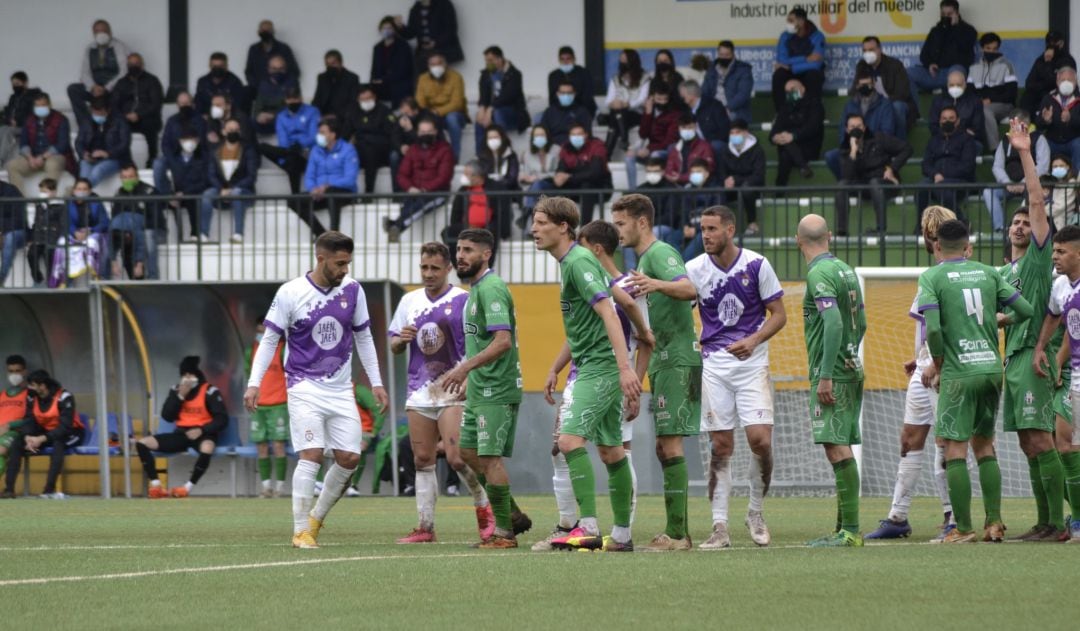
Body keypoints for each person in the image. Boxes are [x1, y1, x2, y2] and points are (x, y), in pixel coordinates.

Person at [245, 231, 389, 548]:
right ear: (320, 258)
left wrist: (376, 382)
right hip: (303, 385)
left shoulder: (353, 291)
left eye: (348, 263)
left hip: (340, 390)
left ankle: (315, 519)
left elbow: (364, 337)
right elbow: (269, 339)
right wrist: (254, 382)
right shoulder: (290, 293)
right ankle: (300, 531)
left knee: (350, 458)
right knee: (310, 454)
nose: (345, 270)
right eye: (339, 264)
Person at [532, 220, 654, 551]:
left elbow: (611, 314)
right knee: (611, 451)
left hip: (599, 369)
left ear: (563, 227)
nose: (533, 229)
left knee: (569, 442)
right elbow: (621, 306)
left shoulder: (579, 261)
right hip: (595, 367)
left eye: (540, 222)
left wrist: (628, 368)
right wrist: (644, 334)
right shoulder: (584, 266)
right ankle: (621, 536)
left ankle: (584, 526)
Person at [917, 218, 1033, 543]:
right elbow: (1025, 310)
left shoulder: (932, 276)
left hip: (959, 373)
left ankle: (963, 528)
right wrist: (1002, 321)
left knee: (954, 448)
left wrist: (938, 364)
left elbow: (935, 329)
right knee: (984, 444)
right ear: (967, 245)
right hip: (990, 370)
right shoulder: (989, 272)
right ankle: (994, 523)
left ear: (937, 245)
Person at [680, 206, 786, 548]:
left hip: (752, 365)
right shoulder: (694, 269)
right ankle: (719, 526)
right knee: (721, 446)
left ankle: (755, 512)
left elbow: (779, 315)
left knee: (761, 441)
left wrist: (754, 340)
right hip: (713, 365)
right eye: (702, 229)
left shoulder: (757, 265)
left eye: (712, 228)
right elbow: (682, 311)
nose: (705, 235)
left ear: (730, 229)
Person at [864, 206, 968, 541]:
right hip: (925, 366)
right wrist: (919, 357)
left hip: (943, 369)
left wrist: (935, 364)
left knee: (945, 442)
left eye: (931, 232)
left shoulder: (948, 276)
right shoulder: (933, 274)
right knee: (910, 440)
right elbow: (932, 327)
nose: (929, 238)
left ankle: (953, 517)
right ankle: (898, 516)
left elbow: (952, 327)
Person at [389, 241, 494, 543]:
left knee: (458, 456)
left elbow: (479, 343)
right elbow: (395, 346)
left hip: (453, 387)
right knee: (422, 458)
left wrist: (469, 377)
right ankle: (425, 527)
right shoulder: (409, 301)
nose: (429, 273)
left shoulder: (464, 300)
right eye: (424, 267)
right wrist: (401, 341)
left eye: (435, 268)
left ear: (449, 268)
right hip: (419, 390)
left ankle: (485, 514)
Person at [993, 120, 1068, 541]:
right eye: (1016, 223)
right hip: (1014, 357)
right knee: (1027, 443)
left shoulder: (1038, 262)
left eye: (1027, 222)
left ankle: (1057, 524)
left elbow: (1037, 201)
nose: (1022, 225)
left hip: (1033, 359)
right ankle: (1044, 521)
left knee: (1042, 440)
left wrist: (1023, 152)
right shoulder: (1005, 272)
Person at [616, 194, 702, 551]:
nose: (617, 230)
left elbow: (689, 288)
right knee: (663, 448)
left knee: (670, 445)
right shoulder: (643, 259)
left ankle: (679, 535)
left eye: (621, 223)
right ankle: (676, 530)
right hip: (665, 359)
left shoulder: (660, 253)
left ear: (641, 222)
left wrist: (656, 284)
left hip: (680, 358)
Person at [438, 228, 528, 548]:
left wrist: (464, 368)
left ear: (486, 254)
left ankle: (504, 533)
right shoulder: (475, 290)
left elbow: (503, 342)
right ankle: (512, 513)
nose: (460, 255)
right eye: (459, 249)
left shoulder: (491, 288)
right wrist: (470, 379)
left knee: (489, 459)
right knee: (466, 453)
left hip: (497, 388)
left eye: (468, 250)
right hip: (480, 386)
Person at [797, 214, 867, 547]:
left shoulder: (818, 274)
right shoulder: (846, 270)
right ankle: (844, 526)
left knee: (835, 446)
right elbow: (862, 322)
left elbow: (834, 323)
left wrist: (825, 374)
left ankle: (851, 530)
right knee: (841, 444)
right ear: (829, 237)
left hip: (833, 372)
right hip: (852, 366)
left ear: (799, 241)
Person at [1033, 224, 1080, 543]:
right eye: (1054, 251)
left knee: (1068, 443)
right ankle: (1076, 521)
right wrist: (1045, 351)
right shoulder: (1062, 285)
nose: (1055, 257)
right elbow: (1058, 320)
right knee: (1064, 442)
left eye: (1062, 251)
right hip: (1076, 375)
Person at [133, 357, 229, 499]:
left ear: (197, 375)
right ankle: (156, 485)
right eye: (184, 375)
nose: (187, 379)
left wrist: (202, 430)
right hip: (182, 434)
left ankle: (187, 488)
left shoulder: (209, 391)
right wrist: (180, 396)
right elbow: (167, 416)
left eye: (190, 375)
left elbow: (222, 419)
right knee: (142, 443)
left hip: (203, 433)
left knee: (207, 447)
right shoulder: (176, 390)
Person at [0, 370, 84, 499]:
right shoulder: (31, 396)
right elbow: (29, 419)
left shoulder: (64, 396)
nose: (29, 388)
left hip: (71, 434)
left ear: (42, 386)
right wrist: (28, 436)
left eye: (32, 385)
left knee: (58, 443)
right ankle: (9, 489)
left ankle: (48, 490)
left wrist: (41, 438)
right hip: (46, 433)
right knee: (18, 442)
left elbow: (65, 427)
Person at [835, 114, 912, 236]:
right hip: (863, 186)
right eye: (852, 127)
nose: (856, 129)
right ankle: (842, 231)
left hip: (885, 183)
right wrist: (853, 151)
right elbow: (847, 177)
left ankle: (881, 229)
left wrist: (892, 168)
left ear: (864, 128)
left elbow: (906, 148)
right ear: (846, 130)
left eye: (859, 126)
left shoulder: (879, 138)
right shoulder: (845, 148)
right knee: (841, 185)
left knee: (875, 182)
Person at [385, 116, 453, 242]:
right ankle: (395, 225)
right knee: (409, 204)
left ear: (435, 132)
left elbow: (444, 177)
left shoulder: (445, 149)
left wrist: (424, 189)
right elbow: (402, 174)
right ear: (417, 132)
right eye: (422, 132)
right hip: (414, 192)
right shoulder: (413, 150)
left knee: (420, 205)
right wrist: (410, 188)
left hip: (437, 193)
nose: (425, 134)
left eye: (429, 131)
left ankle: (397, 226)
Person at [983, 109, 1050, 232]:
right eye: (1015, 123)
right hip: (1009, 186)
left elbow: (1043, 166)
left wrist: (1025, 182)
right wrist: (1007, 182)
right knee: (988, 192)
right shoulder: (1005, 141)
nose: (1019, 126)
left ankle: (1029, 228)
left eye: (1022, 123)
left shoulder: (1038, 138)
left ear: (1028, 123)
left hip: (1031, 185)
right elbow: (997, 166)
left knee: (1037, 196)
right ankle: (1000, 228)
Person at [294, 116, 359, 238]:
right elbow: (310, 175)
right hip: (320, 193)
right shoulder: (315, 150)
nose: (319, 135)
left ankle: (334, 235)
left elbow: (350, 179)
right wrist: (313, 188)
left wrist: (327, 186)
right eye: (319, 132)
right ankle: (322, 235)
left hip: (343, 192)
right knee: (293, 200)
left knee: (331, 192)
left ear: (333, 135)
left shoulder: (348, 150)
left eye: (322, 132)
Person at [246, 319, 289, 498]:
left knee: (279, 446)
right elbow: (248, 374)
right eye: (258, 331)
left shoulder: (282, 350)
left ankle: (280, 488)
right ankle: (266, 488)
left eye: (264, 331)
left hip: (279, 404)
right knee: (261, 446)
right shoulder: (251, 351)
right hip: (258, 405)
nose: (261, 335)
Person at [916, 106, 977, 224]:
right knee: (921, 188)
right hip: (936, 180)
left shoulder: (967, 140)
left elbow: (968, 166)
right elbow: (926, 164)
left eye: (951, 118)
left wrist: (943, 176)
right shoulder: (933, 140)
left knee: (942, 188)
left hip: (960, 181)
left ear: (958, 121)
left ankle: (961, 223)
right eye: (944, 118)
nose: (947, 121)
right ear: (939, 121)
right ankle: (921, 227)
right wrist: (935, 174)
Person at [203, 118, 259, 243]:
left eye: (236, 130)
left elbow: (251, 176)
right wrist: (221, 189)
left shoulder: (248, 150)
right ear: (223, 131)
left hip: (243, 192)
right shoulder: (215, 151)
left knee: (236, 193)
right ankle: (204, 234)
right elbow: (211, 174)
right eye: (230, 130)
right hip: (221, 191)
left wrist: (232, 189)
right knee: (207, 195)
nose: (233, 132)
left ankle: (238, 233)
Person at [4, 93, 72, 195]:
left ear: (49, 105)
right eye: (37, 106)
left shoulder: (61, 119)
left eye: (43, 105)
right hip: (33, 157)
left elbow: (62, 145)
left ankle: (48, 198)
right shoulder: (29, 119)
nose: (40, 108)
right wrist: (30, 158)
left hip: (54, 156)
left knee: (52, 164)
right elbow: (23, 143)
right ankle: (20, 200)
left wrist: (43, 157)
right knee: (11, 165)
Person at [66, 20, 130, 127]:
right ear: (93, 33)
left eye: (104, 31)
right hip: (95, 88)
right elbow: (84, 72)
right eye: (97, 31)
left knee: (121, 92)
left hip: (112, 88)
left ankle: (113, 126)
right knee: (73, 89)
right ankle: (85, 125)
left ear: (110, 32)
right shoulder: (90, 48)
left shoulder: (119, 47)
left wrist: (107, 87)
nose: (101, 34)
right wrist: (92, 87)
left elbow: (124, 72)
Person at [258, 86, 319, 196]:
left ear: (301, 98)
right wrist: (291, 148)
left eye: (295, 98)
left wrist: (299, 143)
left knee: (293, 159)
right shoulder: (281, 116)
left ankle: (295, 195)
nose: (293, 101)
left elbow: (313, 137)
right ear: (286, 100)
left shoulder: (312, 112)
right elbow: (283, 141)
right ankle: (295, 196)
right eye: (290, 98)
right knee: (262, 147)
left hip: (306, 155)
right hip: (287, 153)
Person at [908, 1, 977, 95]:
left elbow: (965, 48)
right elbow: (924, 55)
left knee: (956, 72)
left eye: (949, 14)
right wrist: (930, 64)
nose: (946, 16)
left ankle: (954, 104)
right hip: (934, 73)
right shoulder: (935, 31)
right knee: (910, 73)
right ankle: (913, 108)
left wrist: (956, 27)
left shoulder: (968, 30)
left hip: (953, 71)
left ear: (957, 13)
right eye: (943, 14)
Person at [854, 36, 914, 139]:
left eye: (871, 50)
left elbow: (902, 93)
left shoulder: (895, 65)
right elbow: (855, 89)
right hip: (872, 103)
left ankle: (900, 144)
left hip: (893, 102)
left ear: (880, 49)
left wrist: (883, 104)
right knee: (853, 105)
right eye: (865, 51)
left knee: (898, 107)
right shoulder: (862, 65)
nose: (867, 53)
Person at [343, 84, 399, 194]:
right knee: (347, 152)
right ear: (358, 99)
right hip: (360, 149)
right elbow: (346, 133)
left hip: (381, 149)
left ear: (374, 97)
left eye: (368, 98)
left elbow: (392, 134)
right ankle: (345, 191)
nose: (366, 102)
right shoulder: (353, 111)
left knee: (370, 150)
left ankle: (369, 191)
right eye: (362, 99)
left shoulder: (384, 111)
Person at [110, 53, 163, 167]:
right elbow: (114, 104)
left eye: (136, 64)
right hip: (126, 118)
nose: (134, 66)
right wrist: (125, 116)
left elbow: (156, 104)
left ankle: (152, 159)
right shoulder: (121, 83)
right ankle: (125, 162)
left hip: (146, 118)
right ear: (127, 66)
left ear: (142, 65)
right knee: (117, 127)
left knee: (150, 124)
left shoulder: (152, 80)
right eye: (131, 64)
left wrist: (139, 115)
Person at [552, 123, 611, 225]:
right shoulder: (566, 148)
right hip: (576, 187)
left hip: (599, 188)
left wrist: (570, 177)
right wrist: (559, 176)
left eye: (579, 134)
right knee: (554, 188)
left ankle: (585, 229)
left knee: (587, 186)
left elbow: (595, 173)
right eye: (573, 135)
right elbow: (561, 169)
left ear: (586, 135)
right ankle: (559, 228)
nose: (576, 137)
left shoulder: (596, 145)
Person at [625, 81, 680, 189]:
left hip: (664, 151)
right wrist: (648, 113)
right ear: (652, 98)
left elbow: (669, 141)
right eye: (659, 99)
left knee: (655, 155)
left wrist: (649, 150)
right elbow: (643, 134)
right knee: (629, 157)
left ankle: (652, 188)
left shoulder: (674, 114)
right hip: (650, 149)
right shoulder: (651, 111)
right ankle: (632, 190)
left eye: (665, 99)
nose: (662, 102)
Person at [769, 78, 823, 186]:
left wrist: (793, 136)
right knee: (786, 151)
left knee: (786, 152)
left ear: (802, 89)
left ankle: (779, 191)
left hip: (809, 148)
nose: (790, 93)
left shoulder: (815, 105)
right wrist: (775, 138)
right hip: (788, 148)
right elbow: (775, 130)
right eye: (787, 91)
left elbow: (813, 128)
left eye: (793, 89)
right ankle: (803, 166)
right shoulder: (785, 107)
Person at [968, 33, 1018, 150]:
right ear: (982, 48)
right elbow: (969, 92)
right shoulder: (973, 67)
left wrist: (990, 100)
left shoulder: (1007, 65)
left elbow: (1011, 94)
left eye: (995, 49)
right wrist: (980, 101)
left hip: (1004, 105)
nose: (992, 52)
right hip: (980, 104)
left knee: (985, 110)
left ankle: (995, 149)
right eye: (988, 48)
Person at [474, 46, 528, 154]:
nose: (488, 63)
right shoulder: (485, 74)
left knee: (498, 113)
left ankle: (503, 151)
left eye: (490, 60)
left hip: (513, 113)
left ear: (500, 59)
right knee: (479, 120)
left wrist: (490, 109)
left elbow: (507, 96)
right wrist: (482, 109)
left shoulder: (514, 74)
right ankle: (481, 155)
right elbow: (483, 95)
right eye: (486, 60)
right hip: (493, 112)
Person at [107, 163, 156, 280]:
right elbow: (112, 236)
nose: (127, 180)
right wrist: (113, 262)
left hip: (147, 227)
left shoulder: (149, 191)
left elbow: (154, 217)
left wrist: (139, 263)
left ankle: (152, 276)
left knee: (144, 237)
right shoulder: (119, 194)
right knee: (124, 244)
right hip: (124, 231)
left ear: (137, 177)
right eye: (124, 177)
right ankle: (135, 277)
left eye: (131, 176)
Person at [415, 54, 468, 161]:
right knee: (423, 120)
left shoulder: (456, 77)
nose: (436, 67)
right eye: (432, 64)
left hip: (454, 114)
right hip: (431, 115)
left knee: (452, 119)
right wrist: (431, 113)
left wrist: (438, 111)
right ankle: (428, 157)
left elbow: (457, 103)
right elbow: (419, 101)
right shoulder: (423, 78)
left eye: (438, 63)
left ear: (445, 64)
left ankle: (454, 158)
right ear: (428, 66)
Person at [772, 7, 825, 114]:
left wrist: (792, 67)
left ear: (801, 21)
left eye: (791, 21)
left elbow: (816, 63)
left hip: (806, 71)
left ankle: (813, 113)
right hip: (791, 71)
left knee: (814, 76)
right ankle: (781, 114)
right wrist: (805, 58)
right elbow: (782, 60)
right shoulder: (784, 36)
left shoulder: (817, 36)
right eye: (788, 20)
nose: (788, 23)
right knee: (778, 75)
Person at [152, 91, 206, 194]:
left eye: (187, 103)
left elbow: (203, 144)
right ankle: (166, 197)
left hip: (194, 157)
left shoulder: (200, 121)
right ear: (177, 105)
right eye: (181, 103)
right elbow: (165, 144)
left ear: (192, 104)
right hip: (174, 156)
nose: (184, 105)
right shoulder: (172, 121)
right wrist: (172, 159)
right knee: (158, 164)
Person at [719, 120, 766, 236]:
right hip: (732, 187)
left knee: (747, 190)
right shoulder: (726, 150)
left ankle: (752, 223)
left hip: (752, 187)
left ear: (746, 133)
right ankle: (722, 227)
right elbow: (722, 171)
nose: (734, 135)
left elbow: (758, 176)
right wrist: (726, 181)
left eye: (738, 132)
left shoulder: (757, 151)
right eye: (732, 133)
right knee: (718, 191)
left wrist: (736, 180)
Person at [164, 128, 210, 243]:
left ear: (198, 141)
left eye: (192, 139)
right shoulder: (173, 158)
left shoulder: (204, 158)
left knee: (192, 200)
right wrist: (171, 195)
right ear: (180, 141)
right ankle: (171, 237)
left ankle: (194, 233)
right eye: (185, 139)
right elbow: (166, 180)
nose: (189, 142)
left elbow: (205, 181)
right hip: (176, 193)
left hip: (193, 193)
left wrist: (185, 193)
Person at [602, 49, 650, 156]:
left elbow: (643, 99)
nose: (623, 63)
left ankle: (606, 154)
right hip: (620, 114)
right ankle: (623, 140)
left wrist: (627, 104)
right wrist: (613, 104)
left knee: (615, 118)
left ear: (633, 61)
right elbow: (608, 100)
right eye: (621, 61)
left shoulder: (645, 78)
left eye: (625, 60)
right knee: (617, 114)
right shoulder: (616, 79)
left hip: (637, 114)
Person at [74, 97, 130, 187]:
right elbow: (79, 142)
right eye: (95, 113)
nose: (97, 115)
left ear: (108, 111)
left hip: (114, 159)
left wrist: (107, 154)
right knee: (84, 172)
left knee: (98, 170)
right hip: (91, 159)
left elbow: (124, 144)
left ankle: (80, 192)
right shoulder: (86, 122)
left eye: (100, 113)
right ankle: (83, 194)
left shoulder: (120, 122)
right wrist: (84, 154)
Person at [443, 161, 498, 248]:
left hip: (486, 228)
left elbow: (499, 214)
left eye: (466, 174)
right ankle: (457, 260)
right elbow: (456, 213)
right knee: (448, 232)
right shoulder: (463, 190)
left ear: (477, 177)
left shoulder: (493, 188)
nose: (463, 177)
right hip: (465, 227)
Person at [1022, 32, 1076, 118]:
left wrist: (1048, 63)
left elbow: (1055, 82)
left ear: (1061, 43)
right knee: (1027, 96)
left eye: (1054, 42)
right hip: (1040, 92)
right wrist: (1042, 85)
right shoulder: (1040, 60)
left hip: (1057, 93)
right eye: (1049, 42)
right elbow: (1029, 83)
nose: (1051, 45)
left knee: (1047, 97)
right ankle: (1027, 123)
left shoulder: (1067, 60)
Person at [928, 70, 986, 151]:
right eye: (951, 85)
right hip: (944, 140)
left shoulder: (975, 101)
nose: (955, 88)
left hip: (967, 141)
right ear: (947, 85)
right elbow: (933, 126)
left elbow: (977, 130)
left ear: (965, 85)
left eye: (958, 85)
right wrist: (955, 132)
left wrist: (956, 132)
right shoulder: (938, 101)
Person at [399, 0, 464, 71]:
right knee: (421, 79)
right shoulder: (416, 8)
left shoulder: (444, 4)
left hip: (443, 50)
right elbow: (411, 33)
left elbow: (451, 29)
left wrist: (436, 43)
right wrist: (400, 27)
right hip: (423, 52)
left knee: (441, 77)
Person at [1037, 67, 1080, 170]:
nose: (1066, 83)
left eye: (1069, 80)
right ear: (1057, 81)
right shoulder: (1048, 98)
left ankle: (1077, 181)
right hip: (1052, 140)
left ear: (1076, 82)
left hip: (1073, 140)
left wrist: (1071, 119)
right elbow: (1038, 123)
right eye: (1063, 80)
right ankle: (1044, 179)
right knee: (1041, 142)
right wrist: (1046, 120)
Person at [701, 41, 753, 124]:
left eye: (727, 55)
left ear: (733, 54)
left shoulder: (743, 70)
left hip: (735, 111)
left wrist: (727, 108)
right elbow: (704, 92)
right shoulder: (711, 70)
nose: (724, 57)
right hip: (713, 109)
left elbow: (743, 94)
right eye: (721, 55)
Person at [26, 179, 66, 287]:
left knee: (49, 254)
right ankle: (38, 279)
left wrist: (60, 238)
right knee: (31, 254)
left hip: (52, 237)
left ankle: (51, 282)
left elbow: (62, 224)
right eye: (41, 191)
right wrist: (31, 238)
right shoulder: (39, 205)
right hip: (38, 237)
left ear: (54, 192)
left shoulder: (60, 206)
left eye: (45, 191)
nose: (42, 194)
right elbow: (35, 222)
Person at [518, 125, 560, 224]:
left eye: (542, 135)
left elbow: (556, 173)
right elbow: (525, 175)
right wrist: (524, 177)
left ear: (547, 136)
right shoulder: (528, 154)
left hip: (551, 185)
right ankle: (529, 215)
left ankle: (527, 214)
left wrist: (537, 177)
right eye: (536, 135)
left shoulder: (556, 150)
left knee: (537, 184)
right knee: (534, 188)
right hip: (534, 189)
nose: (539, 138)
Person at [370, 16, 415, 107]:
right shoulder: (377, 48)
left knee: (399, 92)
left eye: (389, 28)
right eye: (384, 28)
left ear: (395, 30)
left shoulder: (403, 46)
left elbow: (404, 70)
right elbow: (374, 68)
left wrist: (383, 80)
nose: (386, 30)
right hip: (381, 84)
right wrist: (374, 80)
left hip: (399, 83)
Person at [678, 79, 729, 156]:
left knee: (716, 145)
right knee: (674, 147)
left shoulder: (714, 106)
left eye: (682, 93)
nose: (680, 96)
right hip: (695, 144)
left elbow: (724, 130)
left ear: (692, 94)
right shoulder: (686, 111)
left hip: (713, 143)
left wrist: (706, 145)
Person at [245, 20, 300, 89]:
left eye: (268, 30)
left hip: (282, 90)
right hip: (258, 90)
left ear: (273, 31)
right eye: (263, 30)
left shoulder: (284, 48)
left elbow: (294, 71)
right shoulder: (253, 49)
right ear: (258, 32)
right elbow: (249, 72)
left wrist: (285, 86)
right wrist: (257, 86)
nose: (265, 32)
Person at [664, 113, 715, 187]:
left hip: (698, 184)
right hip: (676, 185)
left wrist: (680, 178)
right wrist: (673, 176)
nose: (686, 130)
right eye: (683, 127)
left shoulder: (705, 146)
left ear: (695, 127)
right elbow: (669, 169)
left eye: (689, 127)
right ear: (679, 128)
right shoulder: (675, 148)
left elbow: (708, 169)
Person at [1, 72, 41, 164]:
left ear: (25, 83)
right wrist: (9, 120)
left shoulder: (33, 97)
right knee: (2, 130)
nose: (15, 86)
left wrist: (18, 122)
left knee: (7, 132)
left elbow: (33, 115)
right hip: (12, 126)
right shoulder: (13, 97)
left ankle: (1, 158)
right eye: (13, 84)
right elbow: (8, 113)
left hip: (25, 127)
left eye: (18, 83)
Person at [252, 55, 298, 135]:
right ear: (269, 69)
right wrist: (258, 117)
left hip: (283, 120)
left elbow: (293, 108)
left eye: (281, 69)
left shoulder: (292, 83)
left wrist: (273, 115)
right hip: (266, 122)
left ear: (285, 69)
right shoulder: (264, 84)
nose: (277, 72)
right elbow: (257, 107)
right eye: (274, 69)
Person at [539, 79, 593, 147]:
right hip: (553, 147)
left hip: (576, 147)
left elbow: (587, 135)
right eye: (563, 93)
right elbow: (542, 133)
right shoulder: (549, 112)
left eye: (569, 93)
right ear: (557, 94)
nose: (566, 95)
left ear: (574, 94)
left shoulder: (583, 112)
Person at [0, 355, 30, 477]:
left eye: (18, 371)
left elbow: (32, 419)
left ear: (24, 372)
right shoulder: (2, 394)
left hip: (15, 433)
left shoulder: (30, 394)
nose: (14, 375)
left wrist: (9, 425)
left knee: (1, 449)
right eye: (11, 371)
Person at [195, 52, 249, 117]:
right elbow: (198, 104)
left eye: (220, 66)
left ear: (226, 66)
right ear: (209, 65)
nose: (217, 69)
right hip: (207, 119)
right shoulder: (202, 82)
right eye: (214, 66)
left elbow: (238, 106)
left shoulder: (235, 82)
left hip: (229, 118)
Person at [313, 50, 361, 122]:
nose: (330, 66)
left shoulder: (352, 78)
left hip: (343, 117)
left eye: (333, 63)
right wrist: (316, 114)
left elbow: (353, 103)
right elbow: (317, 99)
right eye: (327, 64)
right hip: (323, 116)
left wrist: (335, 115)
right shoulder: (322, 77)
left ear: (341, 63)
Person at [547, 46, 595, 117]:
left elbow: (587, 97)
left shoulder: (584, 73)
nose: (565, 62)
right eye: (562, 59)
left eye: (568, 58)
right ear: (559, 60)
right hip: (560, 111)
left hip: (582, 110)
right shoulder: (553, 76)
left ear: (574, 59)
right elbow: (552, 99)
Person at [0, 179, 27, 286]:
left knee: (10, 237)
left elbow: (20, 220)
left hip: (16, 232)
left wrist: (2, 230)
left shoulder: (10, 191)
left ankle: (1, 278)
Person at [1046, 155, 1080, 228]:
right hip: (1050, 217)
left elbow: (1059, 207)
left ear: (1068, 167)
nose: (1058, 168)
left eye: (1061, 166)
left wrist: (1040, 211)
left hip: (1063, 220)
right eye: (1055, 166)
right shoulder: (1050, 182)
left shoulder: (1071, 183)